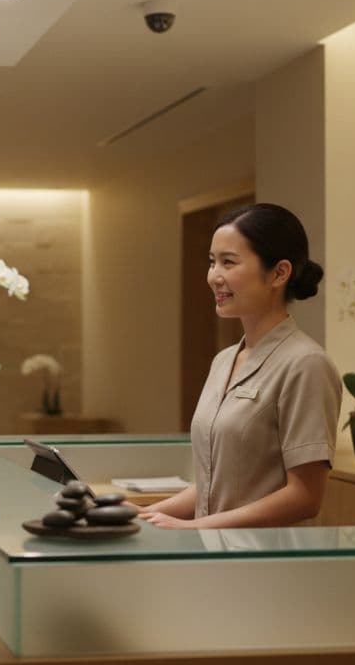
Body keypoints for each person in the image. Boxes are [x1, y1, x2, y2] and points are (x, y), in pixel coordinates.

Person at [139, 203, 341, 529]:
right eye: (211, 262)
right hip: (213, 558)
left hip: (265, 565)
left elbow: (305, 497)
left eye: (228, 262)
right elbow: (213, 486)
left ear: (279, 273)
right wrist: (146, 514)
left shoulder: (307, 364)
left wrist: (192, 528)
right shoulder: (223, 361)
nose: (214, 277)